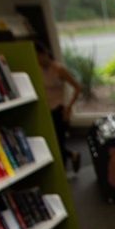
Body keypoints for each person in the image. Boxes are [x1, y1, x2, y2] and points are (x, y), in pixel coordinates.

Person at [35, 40, 83, 174]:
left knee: (58, 141)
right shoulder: (36, 70)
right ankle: (72, 155)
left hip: (58, 109)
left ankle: (62, 173)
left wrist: (68, 107)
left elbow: (78, 87)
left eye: (38, 56)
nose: (38, 60)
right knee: (53, 143)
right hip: (45, 110)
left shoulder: (59, 69)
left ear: (44, 53)